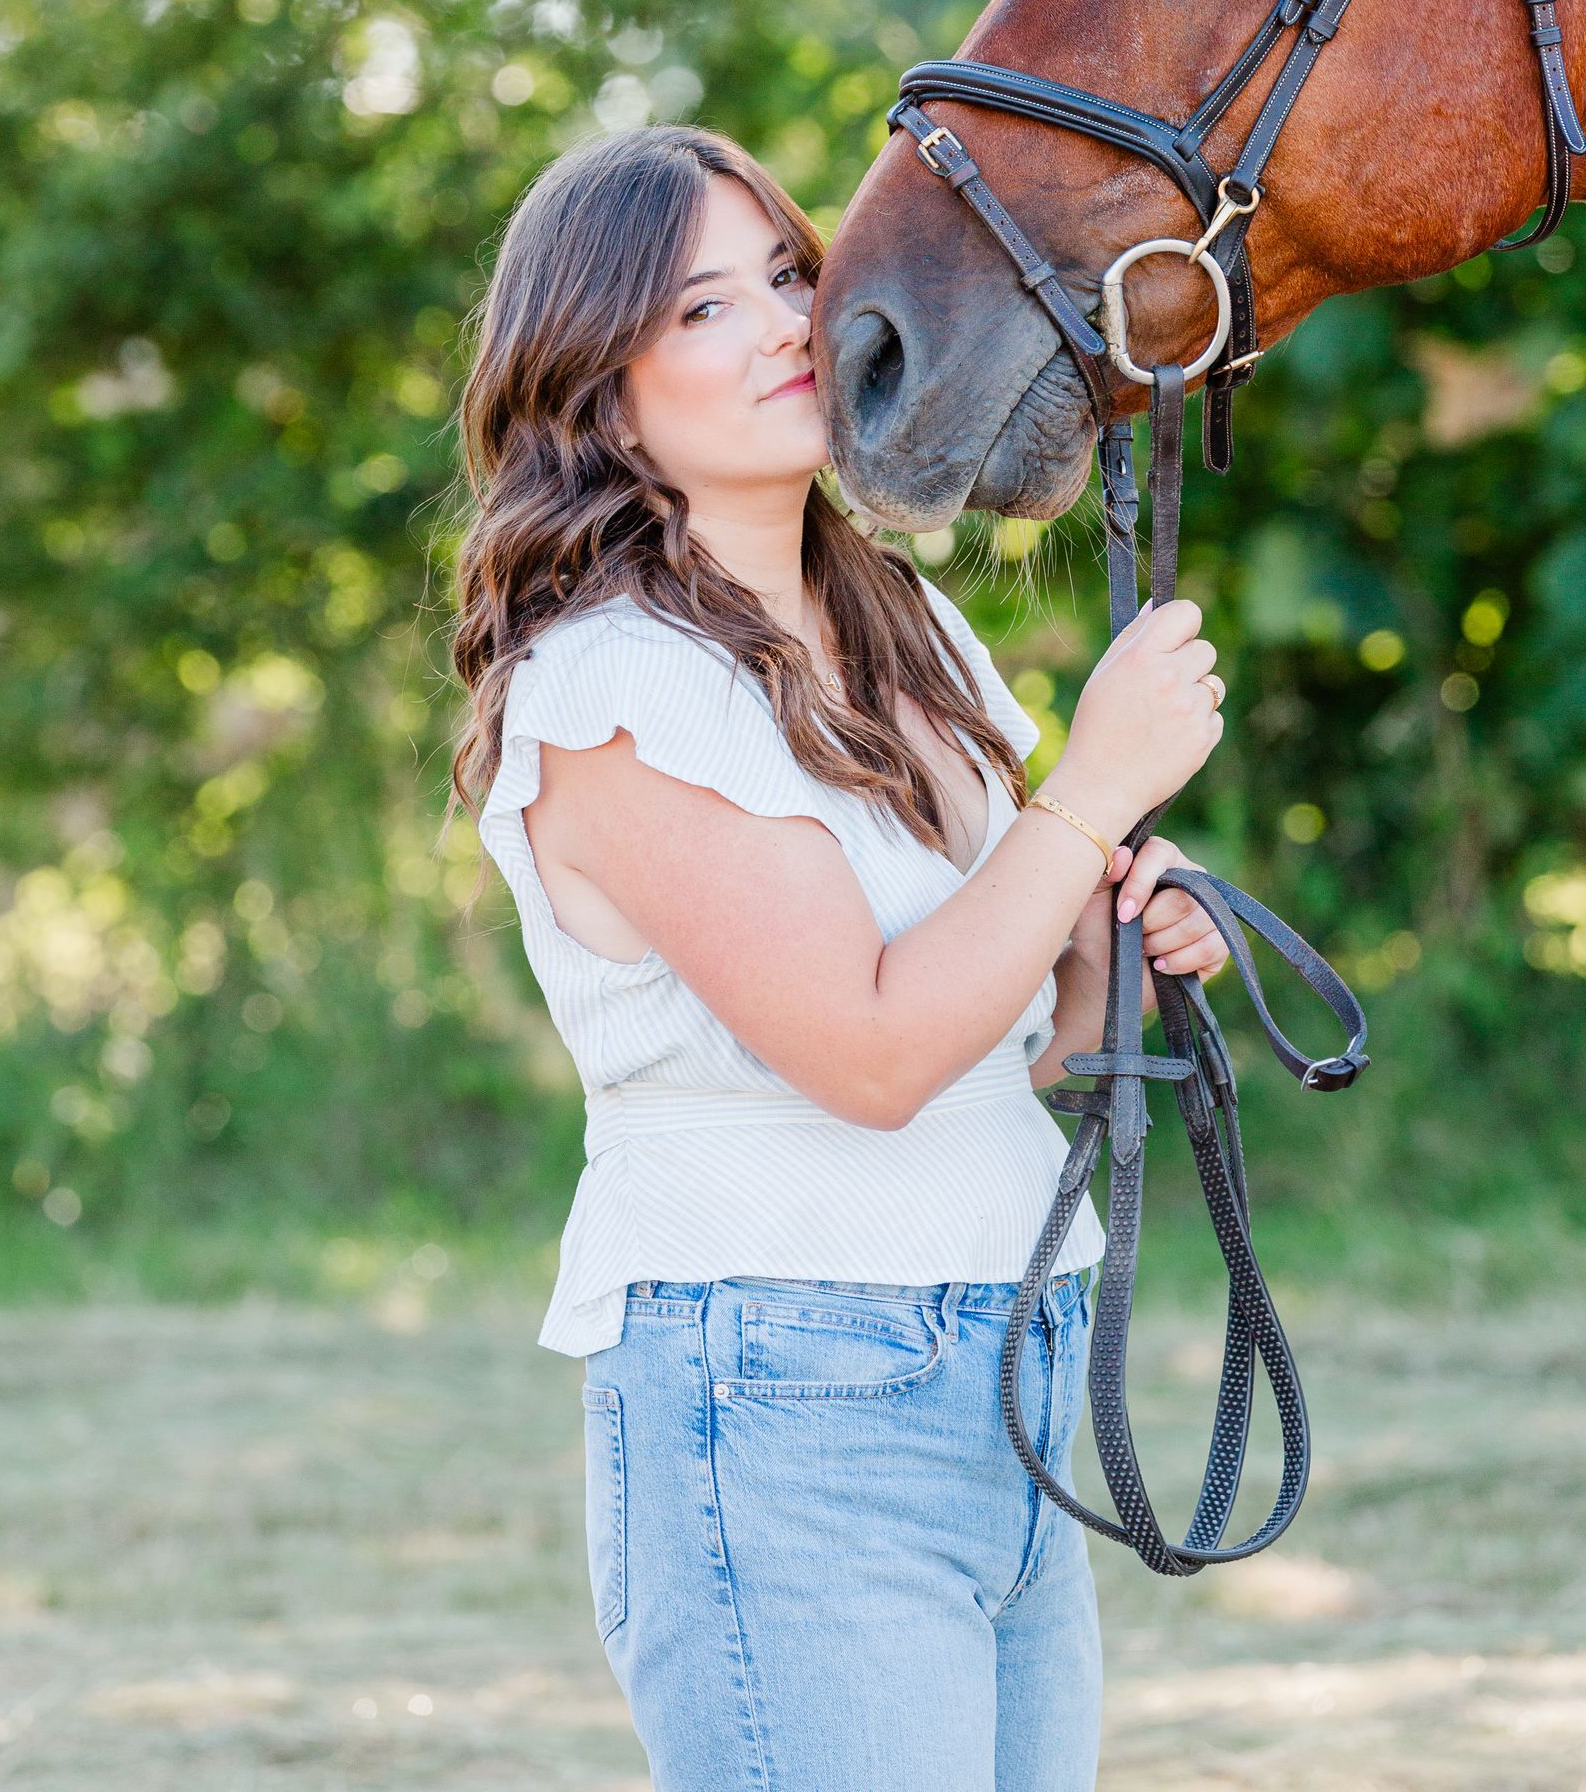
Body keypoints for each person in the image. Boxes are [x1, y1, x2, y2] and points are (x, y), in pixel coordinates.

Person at [452, 124, 1229, 1792]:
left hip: (1003, 1354)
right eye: (701, 311)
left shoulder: (904, 630)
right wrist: (1086, 790)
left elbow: (1021, 1041)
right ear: (596, 388)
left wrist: (1122, 933)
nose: (788, 325)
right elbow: (871, 1056)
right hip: (789, 1393)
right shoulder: (614, 687)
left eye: (791, 276)